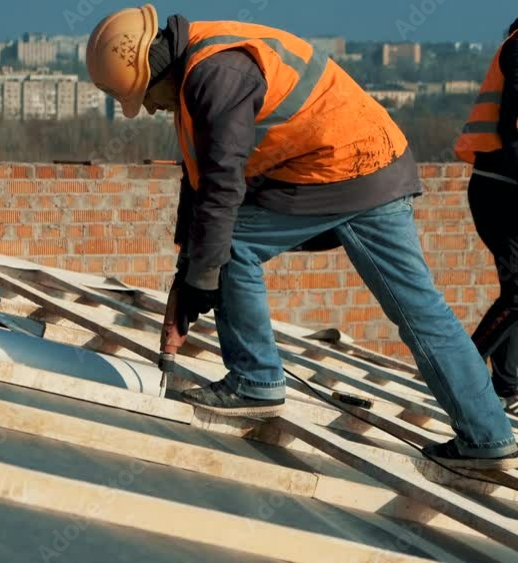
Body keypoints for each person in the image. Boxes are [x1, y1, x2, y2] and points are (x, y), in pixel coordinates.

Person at [87, 5, 517, 469]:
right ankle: (488, 435)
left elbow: (223, 187)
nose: (149, 108)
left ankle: (255, 380)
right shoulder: (201, 65)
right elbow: (199, 183)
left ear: (153, 69)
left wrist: (203, 274)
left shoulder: (216, 74)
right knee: (420, 309)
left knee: (231, 243)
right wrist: (186, 275)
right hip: (380, 169)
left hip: (338, 173)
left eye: (144, 97)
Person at [459, 18, 518, 414]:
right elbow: (511, 122)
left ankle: (507, 385)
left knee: (516, 293)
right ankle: (458, 370)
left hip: (503, 186)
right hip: (501, 188)